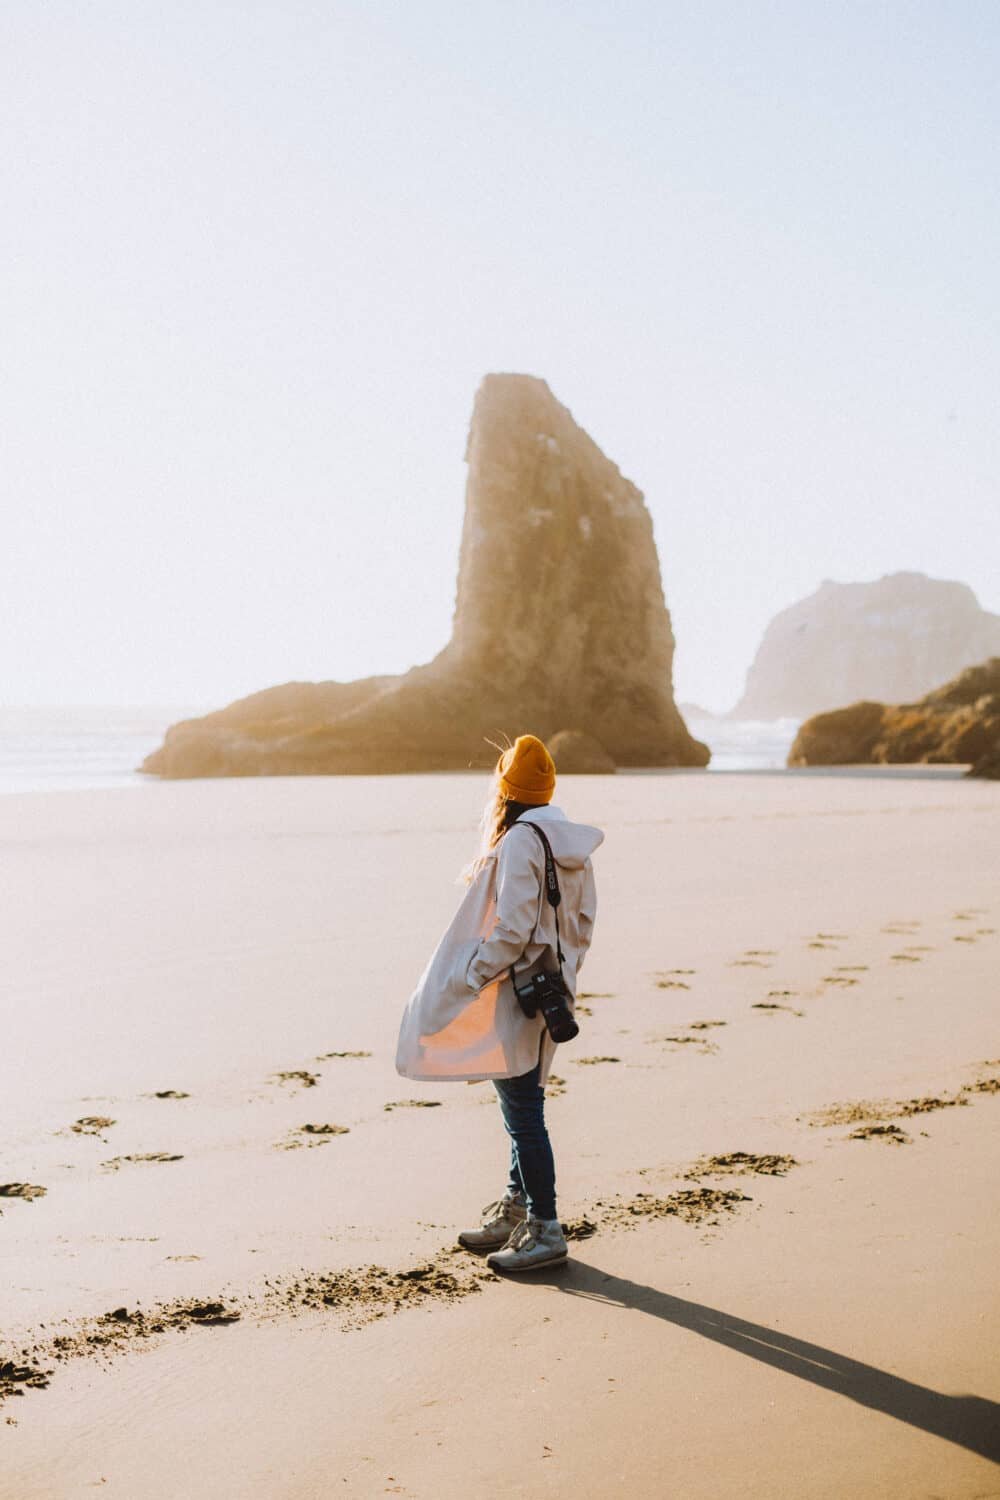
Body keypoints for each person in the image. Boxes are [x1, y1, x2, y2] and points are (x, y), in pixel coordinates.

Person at [395, 734, 603, 1272]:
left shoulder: (519, 841)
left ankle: (546, 1228)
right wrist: (566, 974)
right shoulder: (570, 842)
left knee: (522, 1111)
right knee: (522, 1099)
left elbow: (511, 929)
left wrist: (472, 973)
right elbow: (582, 924)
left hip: (519, 990)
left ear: (506, 792)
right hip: (553, 990)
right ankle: (517, 1209)